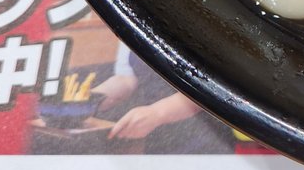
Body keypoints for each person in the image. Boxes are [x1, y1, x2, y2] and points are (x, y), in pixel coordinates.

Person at [92, 44, 235, 154]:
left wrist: (158, 113)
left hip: (207, 139)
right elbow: (125, 78)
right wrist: (91, 98)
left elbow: (213, 87)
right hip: (156, 138)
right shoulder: (131, 12)